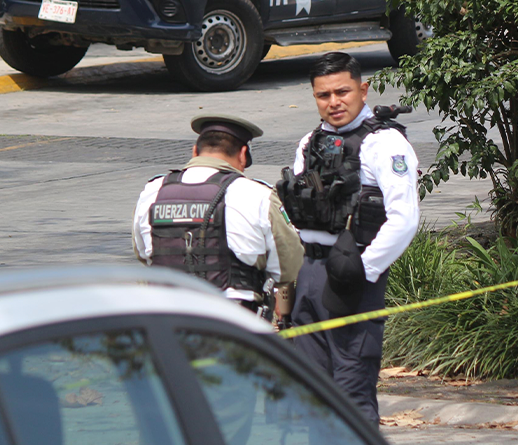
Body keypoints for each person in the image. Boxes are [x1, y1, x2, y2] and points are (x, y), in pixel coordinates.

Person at [277, 51, 419, 423]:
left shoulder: (385, 144)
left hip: (353, 275)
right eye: (324, 95)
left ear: (363, 89)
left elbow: (404, 218)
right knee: (310, 395)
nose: (334, 102)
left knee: (352, 392)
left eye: (343, 92)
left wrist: (364, 269)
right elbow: (294, 211)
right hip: (308, 271)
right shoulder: (309, 142)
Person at [133, 114, 303, 316]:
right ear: (243, 154)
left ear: (195, 151)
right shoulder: (257, 195)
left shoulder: (153, 191)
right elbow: (288, 269)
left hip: (165, 320)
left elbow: (143, 254)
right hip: (231, 322)